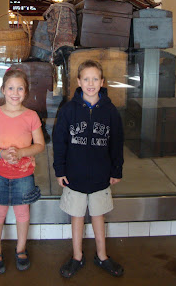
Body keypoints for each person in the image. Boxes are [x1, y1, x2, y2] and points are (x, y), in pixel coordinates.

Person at [53, 60, 124, 278]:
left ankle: (102, 256)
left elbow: (117, 143)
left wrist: (116, 170)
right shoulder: (68, 111)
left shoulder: (111, 112)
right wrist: (60, 170)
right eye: (86, 79)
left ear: (102, 82)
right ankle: (77, 256)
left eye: (95, 79)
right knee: (76, 216)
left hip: (101, 177)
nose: (91, 83)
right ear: (78, 81)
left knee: (98, 215)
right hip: (74, 176)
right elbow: (59, 141)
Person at [0, 68, 45, 274]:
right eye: (10, 88)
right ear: (3, 90)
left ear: (26, 92)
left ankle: (20, 249)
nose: (15, 92)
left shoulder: (31, 116)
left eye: (20, 88)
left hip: (24, 174)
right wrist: (1, 153)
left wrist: (21, 153)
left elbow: (40, 145)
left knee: (22, 212)